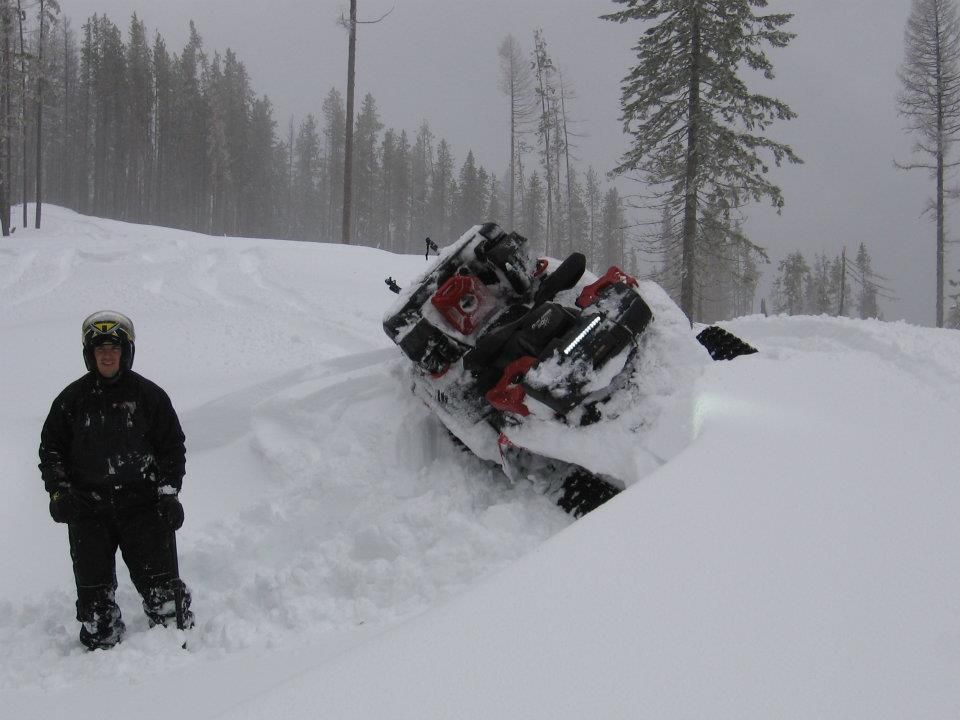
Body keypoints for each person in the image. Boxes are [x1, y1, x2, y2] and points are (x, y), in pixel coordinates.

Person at [38, 310, 193, 650]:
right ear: (89, 354)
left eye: (114, 348)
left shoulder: (149, 397)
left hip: (143, 507)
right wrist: (59, 493)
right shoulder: (70, 401)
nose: (107, 356)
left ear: (126, 352)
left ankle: (176, 654)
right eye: (100, 349)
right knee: (95, 607)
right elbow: (51, 450)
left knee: (164, 597)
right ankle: (102, 652)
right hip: (88, 510)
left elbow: (171, 448)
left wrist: (169, 493)